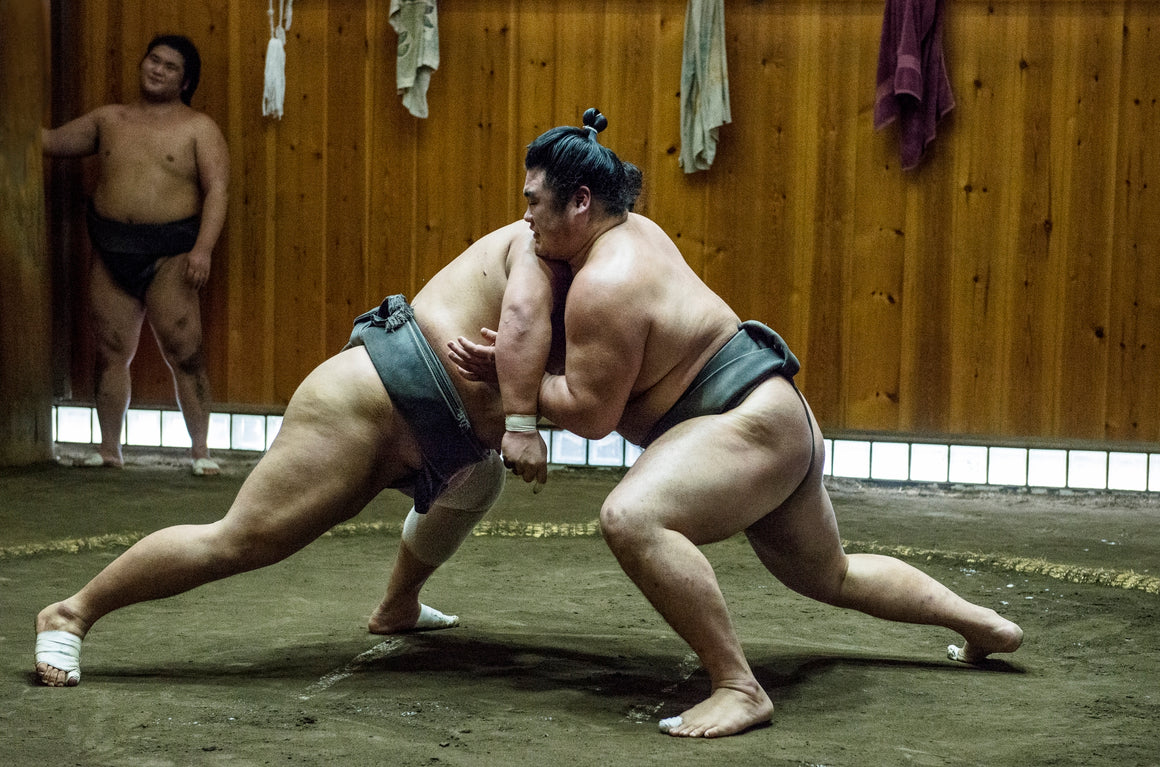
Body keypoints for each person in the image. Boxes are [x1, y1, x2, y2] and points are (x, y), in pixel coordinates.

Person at [450, 108, 1025, 739]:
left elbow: (592, 416)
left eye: (534, 202)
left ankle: (738, 687)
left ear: (580, 202)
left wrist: (514, 388)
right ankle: (983, 625)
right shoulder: (634, 232)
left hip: (744, 422)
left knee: (632, 517)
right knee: (829, 573)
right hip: (778, 415)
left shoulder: (605, 282)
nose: (525, 218)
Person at [33, 220, 565, 687]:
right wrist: (521, 405)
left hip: (443, 444)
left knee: (480, 482)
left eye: (536, 199)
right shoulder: (534, 250)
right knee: (239, 540)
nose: (528, 212)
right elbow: (522, 335)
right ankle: (71, 613)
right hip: (365, 410)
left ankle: (398, 605)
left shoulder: (580, 271)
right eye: (531, 198)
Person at [42, 34, 229, 474]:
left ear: (185, 82)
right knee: (109, 349)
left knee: (185, 352)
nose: (157, 69)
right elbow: (48, 143)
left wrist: (203, 249)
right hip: (111, 246)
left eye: (170, 67)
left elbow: (218, 189)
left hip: (172, 251)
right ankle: (109, 449)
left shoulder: (198, 128)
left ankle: (201, 452)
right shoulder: (108, 119)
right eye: (153, 60)